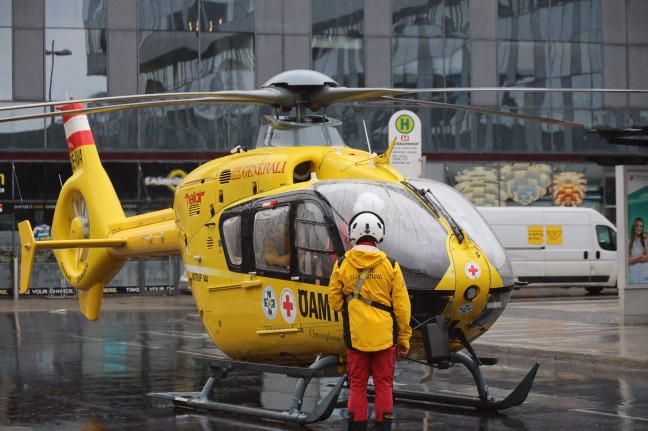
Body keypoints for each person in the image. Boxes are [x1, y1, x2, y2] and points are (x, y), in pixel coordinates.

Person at [328, 211, 411, 431]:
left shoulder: (342, 264)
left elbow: (334, 302)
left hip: (355, 335)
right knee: (384, 385)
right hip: (384, 336)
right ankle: (383, 426)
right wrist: (404, 336)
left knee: (357, 385)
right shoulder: (391, 265)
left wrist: (351, 305)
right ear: (379, 235)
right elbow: (402, 307)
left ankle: (357, 427)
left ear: (353, 235)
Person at [628, 216, 648, 284]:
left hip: (645, 275)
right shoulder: (629, 242)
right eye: (637, 225)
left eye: (641, 226)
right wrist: (640, 255)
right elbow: (628, 261)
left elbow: (647, 258)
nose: (639, 228)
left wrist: (633, 259)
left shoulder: (646, 240)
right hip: (633, 275)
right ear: (633, 226)